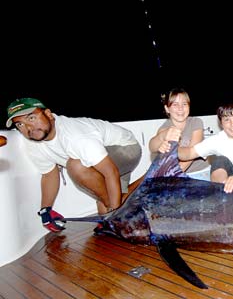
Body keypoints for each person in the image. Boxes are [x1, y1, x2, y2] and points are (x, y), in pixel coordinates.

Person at [6, 97, 142, 233]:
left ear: (48, 114)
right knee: (104, 209)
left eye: (31, 118)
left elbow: (110, 172)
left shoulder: (75, 136)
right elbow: (49, 174)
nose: (29, 128)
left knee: (76, 166)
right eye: (20, 125)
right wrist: (45, 210)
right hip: (102, 162)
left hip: (125, 149)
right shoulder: (32, 141)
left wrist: (114, 213)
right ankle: (142, 183)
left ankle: (117, 208)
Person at [169, 100, 233, 193]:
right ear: (221, 123)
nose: (232, 124)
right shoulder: (217, 140)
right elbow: (189, 153)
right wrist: (170, 147)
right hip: (227, 184)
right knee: (220, 160)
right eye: (227, 119)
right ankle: (221, 190)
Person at [149, 88, 210, 180]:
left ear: (189, 107)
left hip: (199, 172)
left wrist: (173, 174)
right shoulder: (165, 128)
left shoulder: (196, 122)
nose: (180, 108)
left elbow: (192, 154)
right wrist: (162, 138)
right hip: (175, 174)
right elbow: (152, 146)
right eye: (175, 104)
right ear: (167, 109)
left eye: (184, 104)